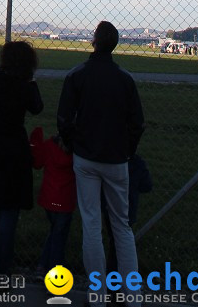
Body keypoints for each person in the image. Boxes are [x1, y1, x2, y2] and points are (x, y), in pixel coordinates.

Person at [57, 20, 144, 284]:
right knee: (122, 227)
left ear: (94, 41)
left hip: (86, 158)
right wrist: (126, 151)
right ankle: (132, 296)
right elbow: (137, 123)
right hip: (117, 160)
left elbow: (63, 119)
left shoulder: (77, 75)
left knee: (91, 225)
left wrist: (75, 145)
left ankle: (97, 296)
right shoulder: (125, 79)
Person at [0, 40, 43, 275]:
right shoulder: (24, 86)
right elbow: (37, 107)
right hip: (14, 154)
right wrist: (31, 80)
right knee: (9, 213)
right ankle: (3, 269)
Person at [30, 125, 76, 276]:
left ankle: (43, 266)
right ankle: (54, 270)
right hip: (64, 201)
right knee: (59, 236)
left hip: (50, 200)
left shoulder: (50, 146)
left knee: (55, 231)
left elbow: (37, 162)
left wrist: (36, 137)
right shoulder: (76, 153)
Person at [103, 153, 152, 272]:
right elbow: (146, 186)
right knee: (122, 243)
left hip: (110, 206)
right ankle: (119, 278)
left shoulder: (110, 159)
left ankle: (112, 277)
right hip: (128, 208)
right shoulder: (137, 162)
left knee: (113, 242)